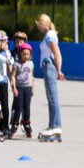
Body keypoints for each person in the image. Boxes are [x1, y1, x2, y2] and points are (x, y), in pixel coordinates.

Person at [35, 14, 65, 142]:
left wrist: (59, 70)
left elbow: (57, 53)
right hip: (47, 67)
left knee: (53, 97)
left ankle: (56, 126)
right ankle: (52, 125)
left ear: (44, 23)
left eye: (39, 25)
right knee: (51, 97)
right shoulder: (49, 35)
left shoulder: (49, 35)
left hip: (49, 66)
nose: (38, 28)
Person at [9, 43, 35, 139]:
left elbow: (31, 76)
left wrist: (33, 87)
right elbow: (13, 76)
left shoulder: (31, 64)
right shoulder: (16, 64)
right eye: (24, 54)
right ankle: (15, 124)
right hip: (19, 88)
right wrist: (14, 88)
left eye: (27, 54)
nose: (26, 56)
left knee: (27, 107)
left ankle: (26, 123)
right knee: (18, 107)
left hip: (28, 88)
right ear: (20, 54)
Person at [0, 30, 12, 137]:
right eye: (2, 41)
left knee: (4, 105)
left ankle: (5, 126)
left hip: (3, 81)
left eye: (5, 42)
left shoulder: (6, 53)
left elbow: (9, 64)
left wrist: (12, 82)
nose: (4, 44)